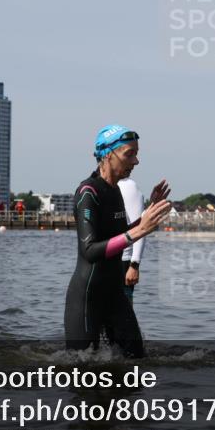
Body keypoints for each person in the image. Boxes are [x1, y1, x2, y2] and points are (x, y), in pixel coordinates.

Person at [64, 124, 171, 358]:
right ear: (107, 154)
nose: (136, 161)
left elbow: (118, 234)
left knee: (137, 359)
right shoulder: (88, 192)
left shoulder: (114, 190)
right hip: (87, 297)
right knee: (81, 370)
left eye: (136, 154)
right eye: (129, 154)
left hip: (114, 292)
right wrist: (139, 231)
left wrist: (147, 214)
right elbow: (90, 250)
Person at [118, 177, 146, 304]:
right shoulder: (95, 185)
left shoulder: (128, 186)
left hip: (123, 264)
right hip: (101, 263)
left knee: (123, 319)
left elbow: (140, 228)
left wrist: (134, 264)